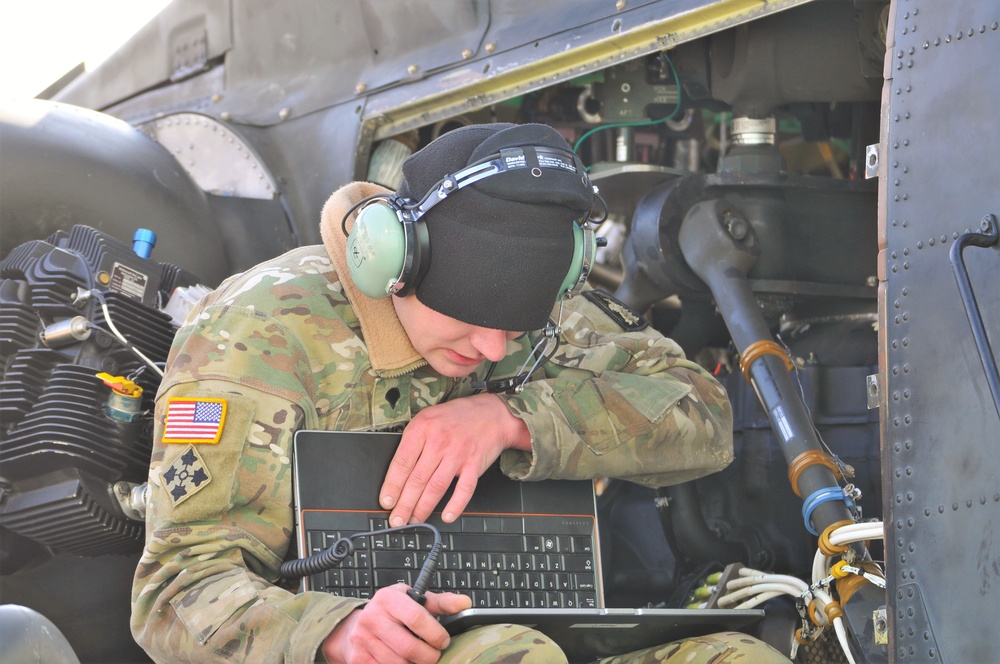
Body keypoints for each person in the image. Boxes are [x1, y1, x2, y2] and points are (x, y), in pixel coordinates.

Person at [131, 123, 789, 663]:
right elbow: (175, 592)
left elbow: (703, 415)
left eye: (514, 329)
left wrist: (514, 418)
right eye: (472, 324)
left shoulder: (543, 313)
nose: (496, 350)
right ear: (392, 263)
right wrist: (336, 632)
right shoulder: (254, 335)